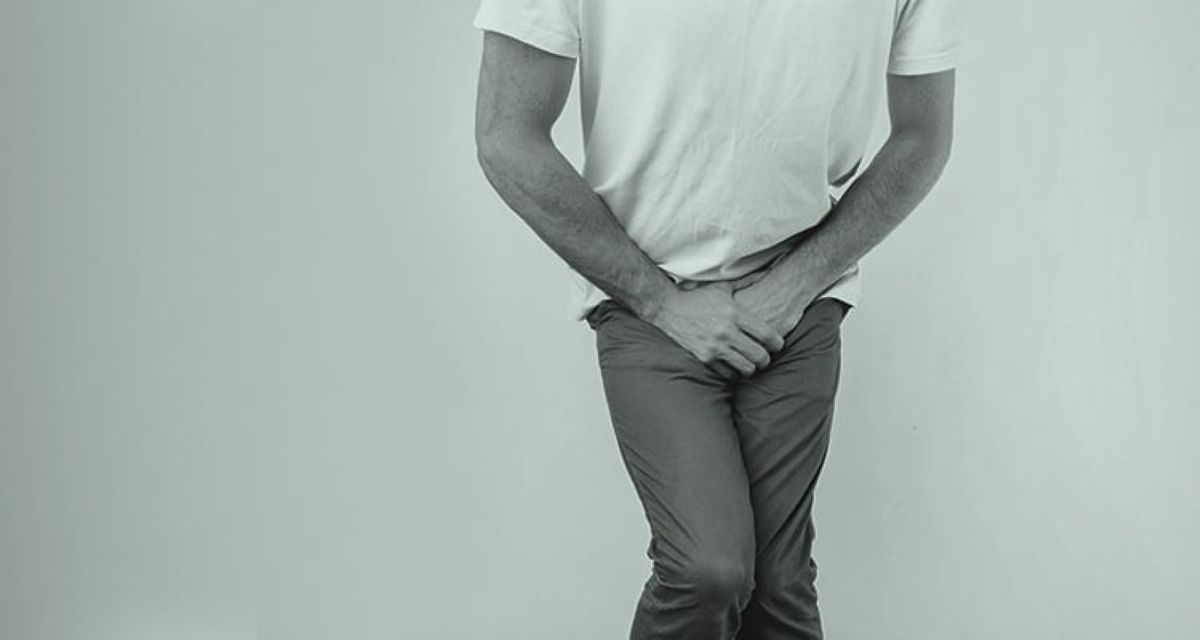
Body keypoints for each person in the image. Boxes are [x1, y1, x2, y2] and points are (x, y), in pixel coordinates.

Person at [472, 1, 959, 637]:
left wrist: (793, 286)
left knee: (779, 585)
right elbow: (506, 135)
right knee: (707, 571)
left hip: (797, 301)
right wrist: (660, 301)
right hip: (647, 293)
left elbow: (924, 136)